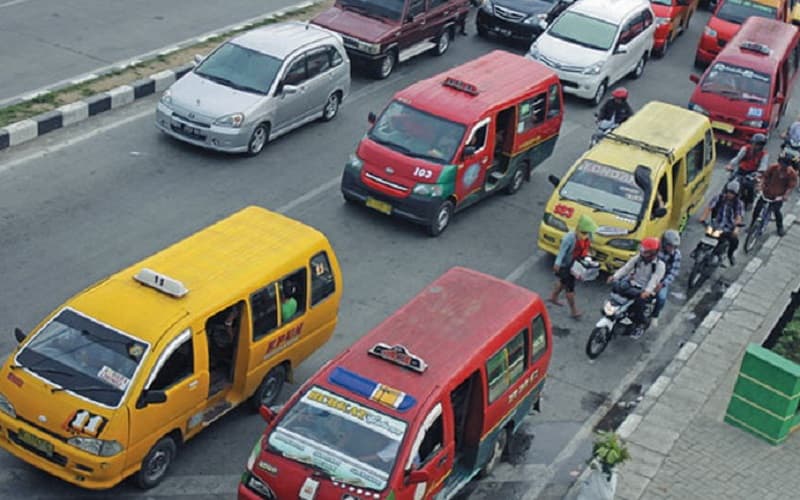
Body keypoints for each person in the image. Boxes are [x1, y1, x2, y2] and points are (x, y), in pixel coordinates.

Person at [607, 237, 666, 339]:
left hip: (645, 290)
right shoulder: (638, 258)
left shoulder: (660, 265)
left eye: (646, 252)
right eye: (643, 250)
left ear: (653, 253)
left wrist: (647, 292)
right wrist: (614, 277)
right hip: (633, 284)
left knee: (638, 305)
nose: (643, 253)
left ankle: (640, 325)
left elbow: (654, 280)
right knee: (617, 289)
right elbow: (626, 268)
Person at [549, 214, 598, 319]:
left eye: (587, 233)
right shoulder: (569, 238)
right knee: (570, 288)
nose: (585, 235)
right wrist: (557, 264)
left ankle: (553, 297)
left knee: (563, 282)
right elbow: (562, 252)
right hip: (566, 266)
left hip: (575, 264)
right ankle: (573, 310)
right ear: (578, 229)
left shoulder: (587, 236)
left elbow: (589, 243)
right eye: (584, 233)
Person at [699, 179, 745, 266]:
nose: (729, 195)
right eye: (728, 192)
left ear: (736, 195)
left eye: (732, 193)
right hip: (715, 225)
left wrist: (736, 229)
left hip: (727, 228)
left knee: (734, 241)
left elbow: (739, 216)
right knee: (706, 235)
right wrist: (703, 217)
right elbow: (709, 208)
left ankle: (730, 255)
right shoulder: (719, 198)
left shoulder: (739, 204)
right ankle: (698, 250)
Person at [751, 154, 798, 237]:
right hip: (767, 192)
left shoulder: (791, 174)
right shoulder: (773, 167)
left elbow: (790, 187)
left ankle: (780, 227)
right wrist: (761, 186)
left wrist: (785, 196)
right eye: (781, 163)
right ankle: (752, 225)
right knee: (758, 208)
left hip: (778, 196)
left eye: (785, 164)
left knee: (776, 211)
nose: (782, 166)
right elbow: (765, 177)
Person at [726, 133, 769, 208]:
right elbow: (737, 158)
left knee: (750, 186)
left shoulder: (764, 154)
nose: (754, 146)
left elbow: (763, 166)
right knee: (730, 181)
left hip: (753, 173)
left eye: (756, 144)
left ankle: (750, 202)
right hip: (741, 170)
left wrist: (759, 173)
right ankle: (723, 195)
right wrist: (730, 165)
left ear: (761, 146)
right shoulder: (745, 148)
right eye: (753, 143)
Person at [651, 229, 682, 328]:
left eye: (674, 246)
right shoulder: (655, 247)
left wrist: (662, 284)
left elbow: (673, 272)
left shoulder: (676, 255)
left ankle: (655, 315)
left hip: (662, 280)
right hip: (648, 274)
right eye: (670, 245)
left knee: (661, 298)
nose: (671, 248)